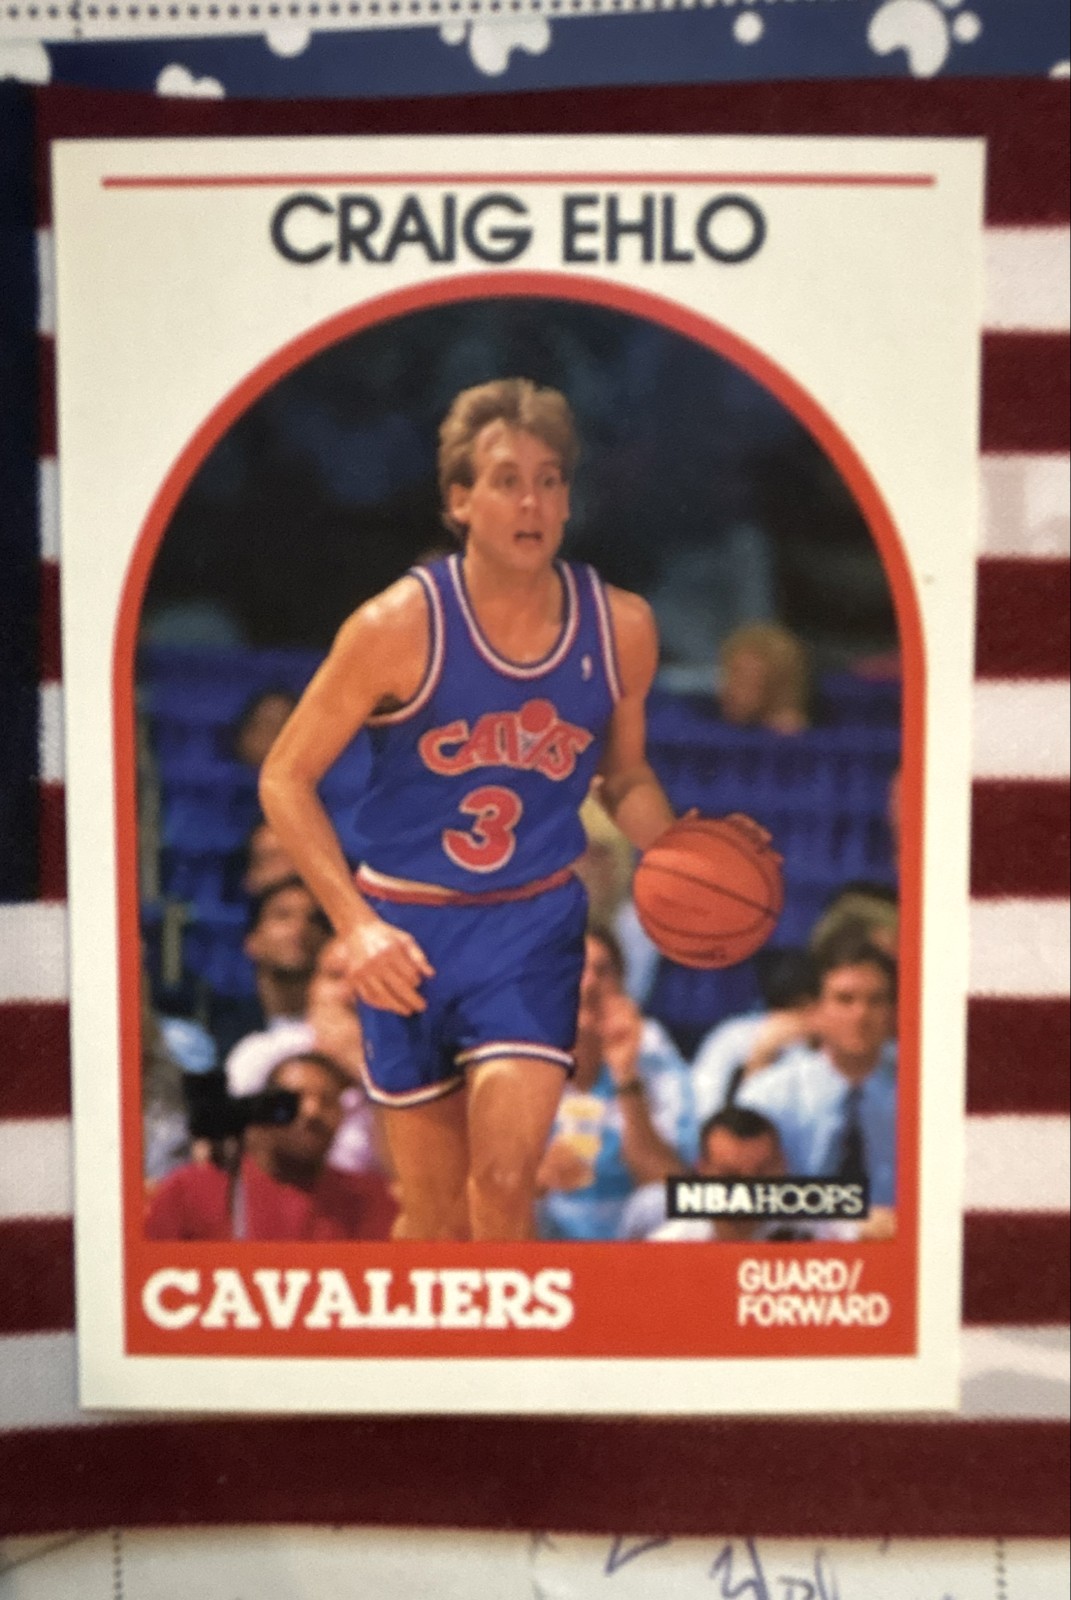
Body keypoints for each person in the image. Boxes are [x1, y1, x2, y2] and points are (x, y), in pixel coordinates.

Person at [260, 378, 676, 1241]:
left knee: (502, 1180)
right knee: (435, 1214)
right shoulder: (393, 625)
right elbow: (284, 779)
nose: (531, 502)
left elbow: (624, 779)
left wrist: (678, 854)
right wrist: (354, 928)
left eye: (549, 480)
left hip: (529, 927)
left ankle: (509, 1331)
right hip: (405, 932)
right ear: (458, 499)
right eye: (506, 480)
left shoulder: (621, 627)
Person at [536, 927, 694, 1242]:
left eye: (603, 971)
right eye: (576, 968)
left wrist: (626, 1074)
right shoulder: (521, 1051)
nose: (589, 983)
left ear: (622, 985)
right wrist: (538, 1179)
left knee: (662, 1201)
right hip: (547, 1230)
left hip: (631, 1230)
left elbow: (667, 1180)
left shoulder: (649, 1047)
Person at [145, 1051, 397, 1241]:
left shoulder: (370, 1199)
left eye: (327, 1101)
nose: (312, 1111)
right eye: (294, 1099)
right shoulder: (190, 1192)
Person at [736, 934, 898, 1224]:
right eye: (844, 999)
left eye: (875, 1000)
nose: (861, 1014)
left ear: (893, 1011)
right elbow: (744, 1197)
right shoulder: (768, 1095)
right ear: (814, 1010)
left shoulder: (920, 1094)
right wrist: (847, 1227)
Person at [689, 947, 821, 1126]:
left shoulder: (834, 1045)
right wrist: (760, 1060)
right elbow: (707, 1117)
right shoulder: (732, 1038)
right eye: (803, 1007)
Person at [207, 875, 331, 1060]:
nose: (299, 928)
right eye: (283, 916)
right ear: (252, 940)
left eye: (314, 919)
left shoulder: (351, 1030)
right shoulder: (217, 1028)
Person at [717, 621, 810, 735]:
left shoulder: (793, 740)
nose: (728, 690)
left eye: (743, 681)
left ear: (778, 686)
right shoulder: (713, 728)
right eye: (728, 677)